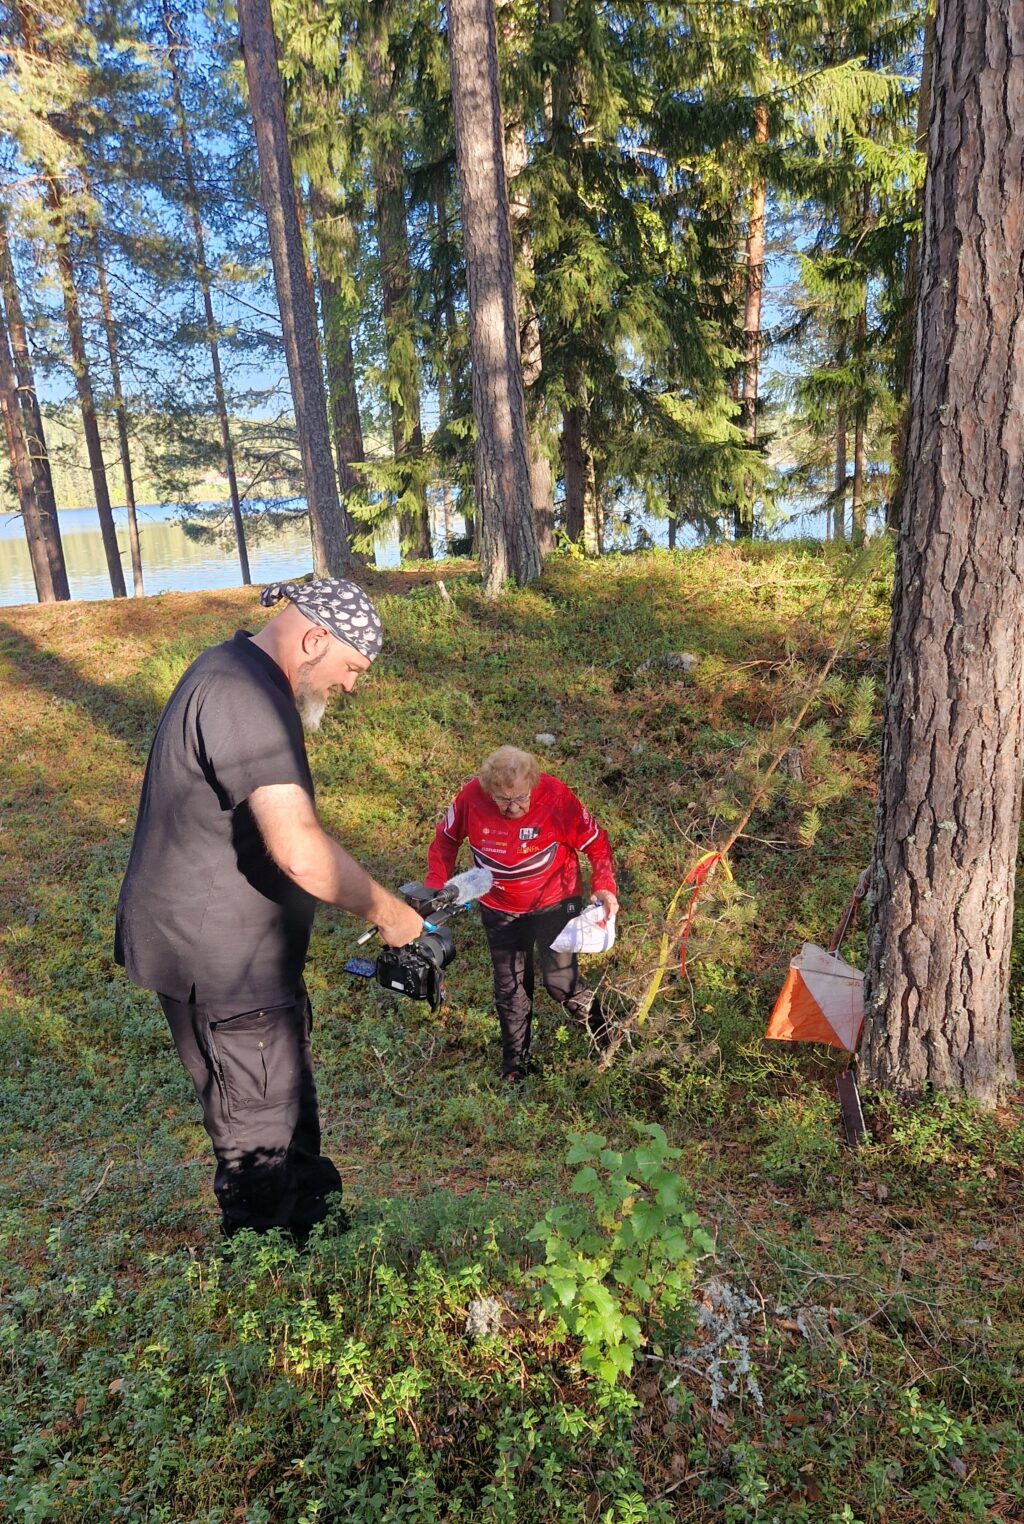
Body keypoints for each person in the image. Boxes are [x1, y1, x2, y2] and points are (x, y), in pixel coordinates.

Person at [114, 579, 423, 1239]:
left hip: (240, 960)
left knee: (282, 1105)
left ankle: (315, 1229)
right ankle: (266, 1269)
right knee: (259, 1133)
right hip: (225, 967)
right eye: (351, 669)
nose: (350, 688)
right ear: (315, 638)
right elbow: (300, 853)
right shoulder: (242, 695)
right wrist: (393, 916)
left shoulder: (236, 676)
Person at [425, 746, 619, 1082]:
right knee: (510, 990)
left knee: (560, 983)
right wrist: (433, 891)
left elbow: (597, 843)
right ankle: (516, 1067)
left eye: (521, 798)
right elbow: (444, 843)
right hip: (500, 910)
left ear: (533, 783)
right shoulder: (471, 798)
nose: (513, 808)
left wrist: (604, 884)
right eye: (503, 799)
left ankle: (609, 1037)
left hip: (558, 903)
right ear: (488, 790)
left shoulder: (557, 796)